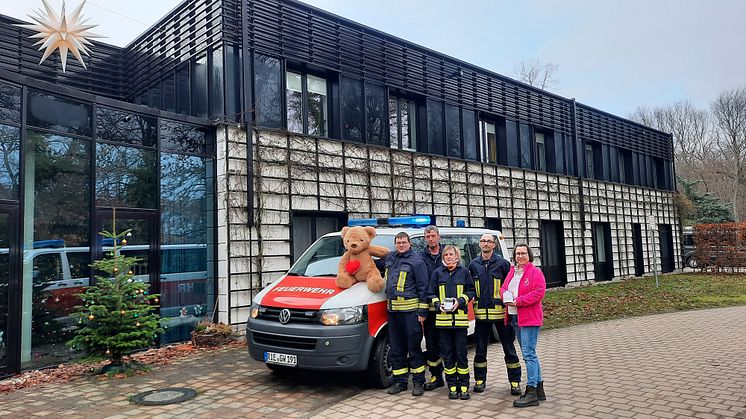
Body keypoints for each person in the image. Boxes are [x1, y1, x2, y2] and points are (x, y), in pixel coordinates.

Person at [375, 232, 430, 396]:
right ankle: (400, 382)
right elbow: (374, 266)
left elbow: (423, 287)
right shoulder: (390, 258)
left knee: (413, 348)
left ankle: (418, 383)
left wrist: (422, 311)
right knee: (396, 348)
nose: (400, 245)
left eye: (403, 242)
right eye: (398, 242)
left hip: (411, 313)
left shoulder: (417, 261)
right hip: (393, 313)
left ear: (409, 244)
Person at [467, 233, 521, 396]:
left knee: (509, 349)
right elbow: (470, 288)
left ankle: (515, 382)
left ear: (494, 245)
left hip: (501, 315)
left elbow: (510, 288)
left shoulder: (503, 264)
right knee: (480, 350)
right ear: (480, 244)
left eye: (489, 241)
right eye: (482, 241)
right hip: (481, 316)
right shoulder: (473, 264)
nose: (485, 244)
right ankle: (480, 381)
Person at [501, 243, 547, 408]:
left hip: (529, 319)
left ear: (529, 256)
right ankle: (539, 390)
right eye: (517, 253)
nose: (520, 256)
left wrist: (518, 301)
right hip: (515, 318)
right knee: (529, 353)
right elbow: (504, 287)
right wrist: (505, 296)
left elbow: (538, 292)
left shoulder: (535, 273)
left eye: (523, 253)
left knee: (529, 355)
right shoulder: (512, 272)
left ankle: (532, 391)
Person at [427, 245, 475, 400]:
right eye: (445, 254)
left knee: (461, 355)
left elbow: (471, 291)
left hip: (460, 322)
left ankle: (464, 387)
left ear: (457, 257)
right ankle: (452, 387)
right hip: (443, 322)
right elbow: (430, 293)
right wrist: (437, 304)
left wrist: (460, 301)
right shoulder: (437, 273)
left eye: (451, 254)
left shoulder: (464, 272)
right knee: (448, 356)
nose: (448, 257)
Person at [418, 225, 444, 391]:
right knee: (432, 345)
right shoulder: (420, 257)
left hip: (448, 309)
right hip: (430, 309)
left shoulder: (448, 253)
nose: (430, 239)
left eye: (433, 236)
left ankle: (453, 377)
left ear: (438, 237)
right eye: (427, 236)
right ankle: (436, 376)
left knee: (448, 345)